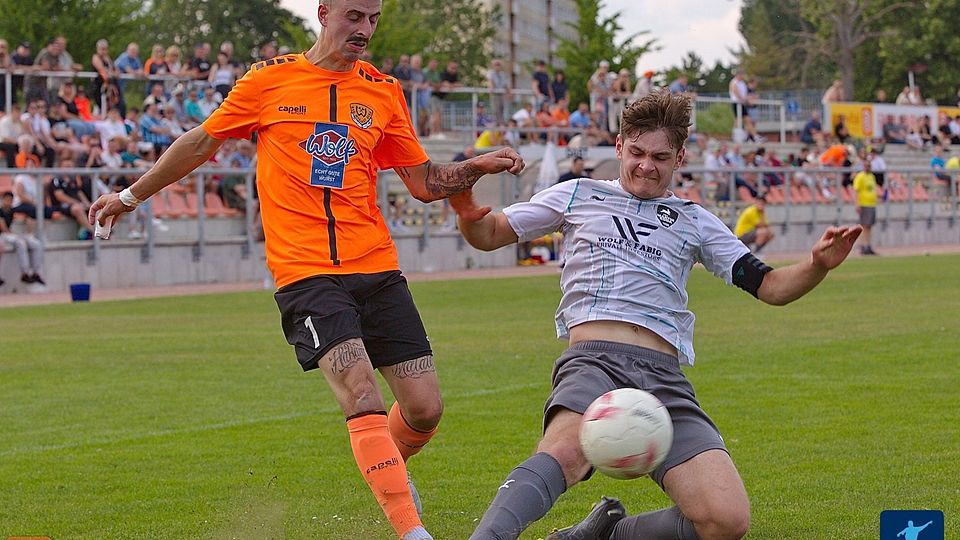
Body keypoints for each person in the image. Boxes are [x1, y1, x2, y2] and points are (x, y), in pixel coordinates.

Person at [87, 2, 525, 539]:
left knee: (425, 409)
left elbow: (424, 181)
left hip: (376, 266)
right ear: (323, 13)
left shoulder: (383, 91)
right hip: (305, 271)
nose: (364, 30)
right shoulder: (269, 80)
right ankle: (413, 532)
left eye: (373, 20)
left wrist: (474, 165)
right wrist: (131, 196)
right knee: (361, 393)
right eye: (354, 16)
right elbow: (201, 142)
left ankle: (385, 466)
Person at [450, 91, 861, 540]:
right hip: (594, 360)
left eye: (661, 157)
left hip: (664, 377)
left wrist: (817, 265)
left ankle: (605, 536)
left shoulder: (695, 220)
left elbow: (771, 286)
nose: (646, 166)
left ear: (680, 157)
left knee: (725, 520)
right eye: (638, 153)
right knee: (567, 450)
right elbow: (489, 234)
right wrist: (466, 211)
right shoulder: (576, 195)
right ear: (621, 146)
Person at [0, 191, 45, 286]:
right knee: (20, 242)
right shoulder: (0, 211)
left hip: (10, 234)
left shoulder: (12, 211)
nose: (8, 202)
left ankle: (36, 273)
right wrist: (16, 235)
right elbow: (3, 228)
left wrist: (28, 220)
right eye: (6, 200)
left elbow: (25, 215)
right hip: (3, 235)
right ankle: (24, 272)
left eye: (10, 200)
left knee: (35, 244)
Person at [852, 157, 879, 255]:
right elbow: (856, 190)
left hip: (872, 204)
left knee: (869, 226)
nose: (868, 167)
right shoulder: (860, 176)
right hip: (864, 204)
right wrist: (857, 204)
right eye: (867, 165)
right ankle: (863, 246)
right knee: (864, 226)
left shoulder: (871, 176)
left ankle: (868, 245)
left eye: (869, 165)